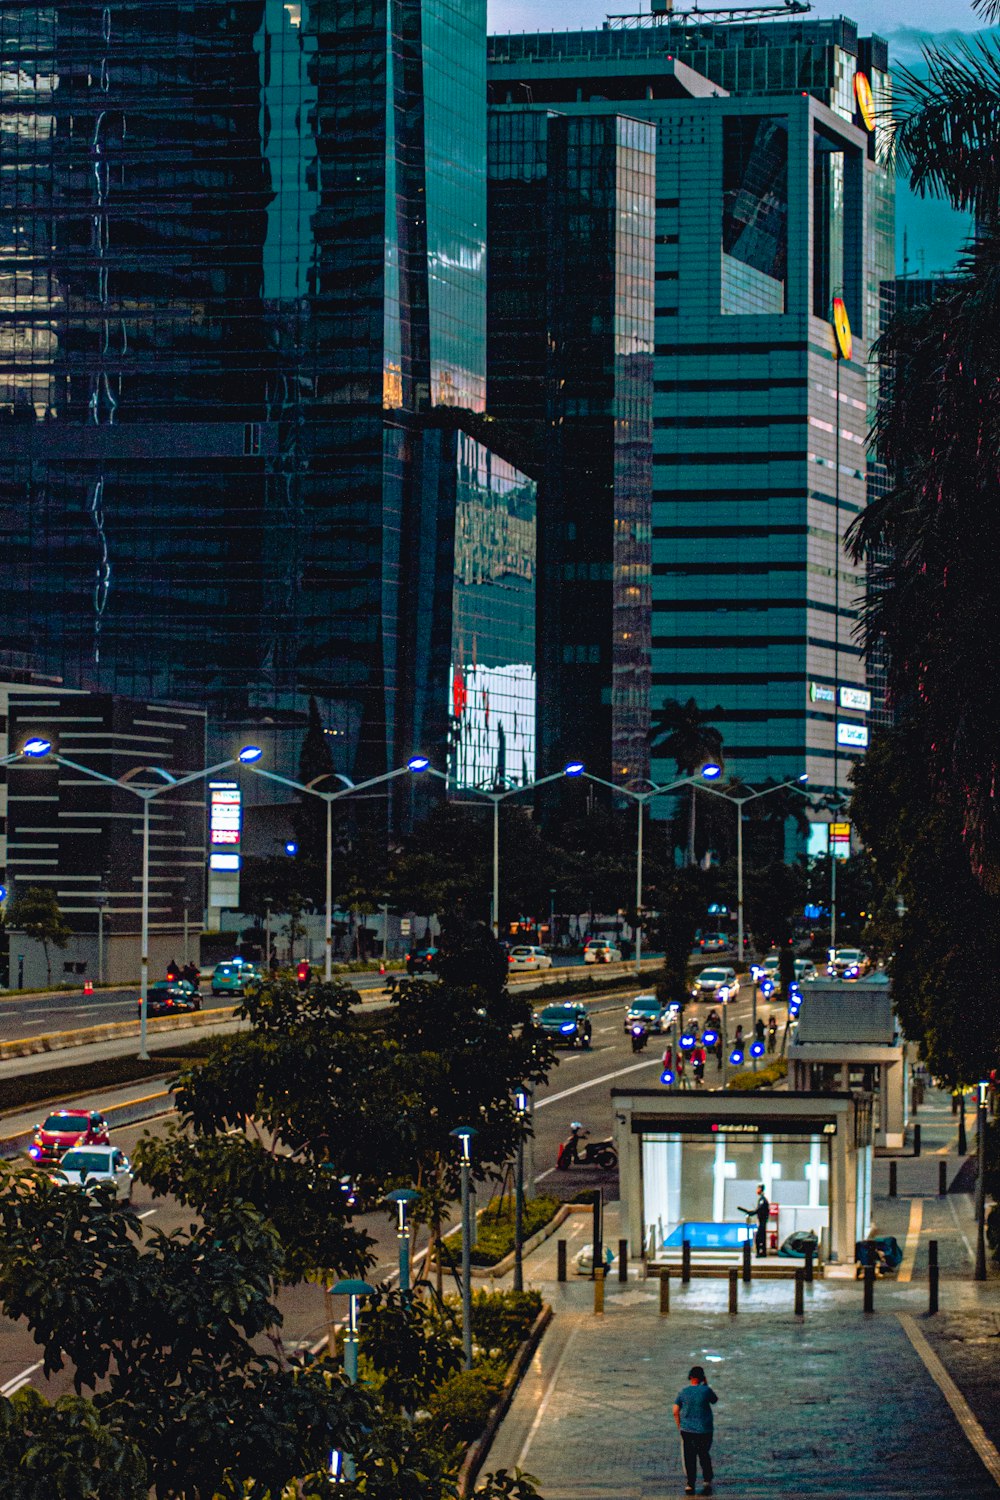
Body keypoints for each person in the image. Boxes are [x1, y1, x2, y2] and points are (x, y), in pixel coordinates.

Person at [673, 1364, 718, 1496]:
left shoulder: (683, 1392)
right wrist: (706, 1385)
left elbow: (675, 1411)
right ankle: (707, 1479)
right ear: (702, 1377)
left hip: (687, 1430)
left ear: (690, 1377)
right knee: (704, 1454)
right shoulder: (706, 1390)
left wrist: (679, 1426)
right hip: (704, 1430)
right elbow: (714, 1400)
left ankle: (690, 1483)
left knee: (689, 1457)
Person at [754, 1183, 770, 1255]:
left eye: (758, 1188)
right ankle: (763, 1252)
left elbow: (759, 1209)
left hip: (762, 1222)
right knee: (762, 1237)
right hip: (761, 1221)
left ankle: (760, 1253)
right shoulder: (761, 1199)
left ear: (761, 1189)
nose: (757, 1190)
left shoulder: (762, 1200)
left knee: (758, 1237)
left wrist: (753, 1212)